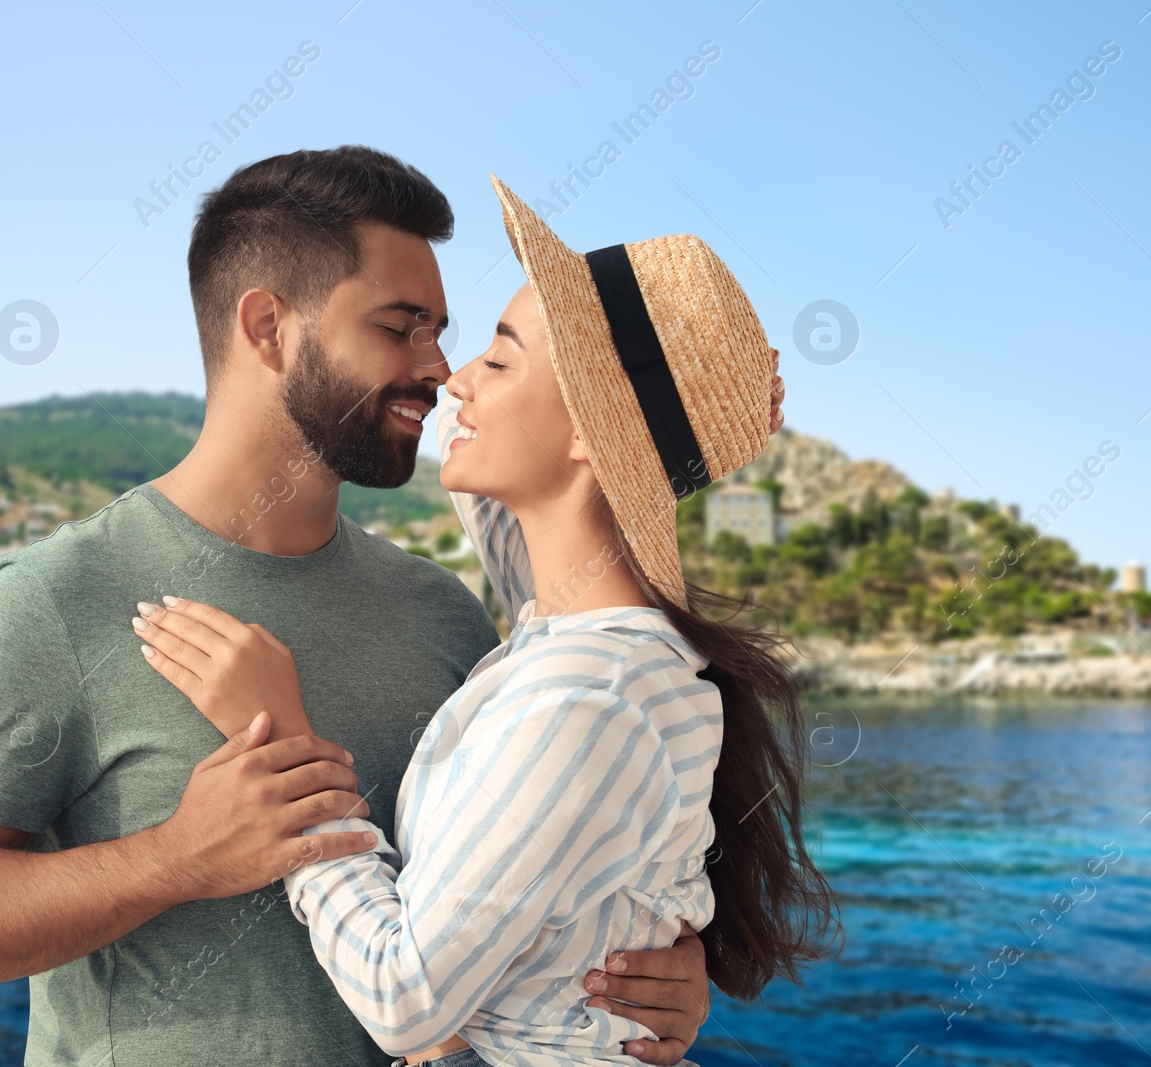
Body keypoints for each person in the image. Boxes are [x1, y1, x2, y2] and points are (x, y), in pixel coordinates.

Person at [0, 147, 719, 1066]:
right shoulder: (60, 595)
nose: (439, 368)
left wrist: (645, 978)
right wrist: (177, 858)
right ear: (268, 326)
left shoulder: (447, 618)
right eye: (401, 326)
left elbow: (515, 900)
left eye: (445, 330)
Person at [128, 176, 838, 1066]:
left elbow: (406, 1001)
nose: (452, 376)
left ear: (590, 432)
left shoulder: (588, 697)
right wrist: (691, 433)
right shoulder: (573, 631)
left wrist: (286, 745)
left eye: (497, 360)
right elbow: (519, 521)